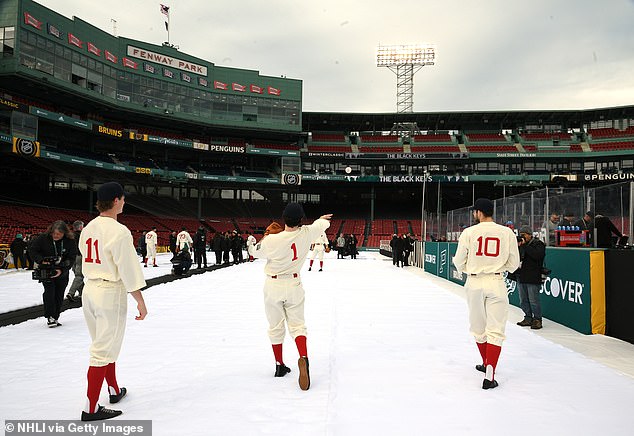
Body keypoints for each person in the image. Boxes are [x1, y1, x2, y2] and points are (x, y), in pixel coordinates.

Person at [79, 182, 148, 421]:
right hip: (109, 292)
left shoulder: (88, 227)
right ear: (116, 200)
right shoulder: (119, 231)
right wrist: (140, 300)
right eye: (123, 198)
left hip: (89, 290)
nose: (125, 202)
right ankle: (90, 409)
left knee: (104, 344)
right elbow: (128, 270)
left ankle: (114, 389)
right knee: (102, 350)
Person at [248, 203, 332, 391]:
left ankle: (279, 365)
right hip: (293, 284)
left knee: (276, 327)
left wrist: (266, 237)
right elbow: (322, 224)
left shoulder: (271, 240)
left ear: (283, 218)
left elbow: (253, 251)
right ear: (301, 220)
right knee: (298, 326)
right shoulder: (307, 233)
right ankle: (303, 358)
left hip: (273, 284)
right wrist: (322, 219)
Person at [452, 198, 520, 390]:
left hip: (474, 281)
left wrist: (471, 269)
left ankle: (486, 364)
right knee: (496, 330)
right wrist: (497, 268)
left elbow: (458, 261)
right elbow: (514, 264)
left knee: (478, 328)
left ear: (478, 212)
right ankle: (489, 370)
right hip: (496, 281)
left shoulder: (469, 232)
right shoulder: (507, 232)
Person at [30, 221, 78, 327]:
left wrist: (63, 269)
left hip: (62, 271)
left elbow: (72, 257)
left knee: (59, 294)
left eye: (59, 234)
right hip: (46, 271)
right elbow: (33, 250)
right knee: (49, 293)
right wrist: (41, 260)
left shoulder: (69, 241)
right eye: (54, 234)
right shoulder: (43, 238)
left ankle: (56, 316)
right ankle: (50, 316)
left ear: (64, 233)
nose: (56, 236)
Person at [515, 226, 546, 330]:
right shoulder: (520, 245)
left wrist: (525, 246)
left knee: (534, 300)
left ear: (530, 235)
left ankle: (537, 319)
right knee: (523, 300)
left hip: (533, 276)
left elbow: (537, 256)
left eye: (524, 235)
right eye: (521, 234)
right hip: (521, 275)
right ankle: (528, 317)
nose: (523, 237)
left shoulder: (538, 244)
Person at [66, 220, 85, 302]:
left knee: (77, 276)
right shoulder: (82, 235)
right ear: (80, 227)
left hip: (72, 258)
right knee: (79, 276)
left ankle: (82, 293)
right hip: (79, 256)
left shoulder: (70, 236)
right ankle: (71, 293)